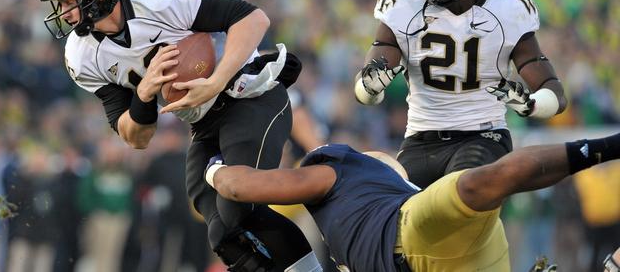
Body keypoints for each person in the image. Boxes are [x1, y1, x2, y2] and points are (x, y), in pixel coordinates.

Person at [38, 0, 318, 272]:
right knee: (222, 235)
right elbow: (136, 137)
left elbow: (253, 18)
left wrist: (216, 80)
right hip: (203, 123)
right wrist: (143, 93)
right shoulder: (83, 55)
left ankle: (328, 189)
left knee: (241, 209)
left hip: (250, 96)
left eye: (69, 0)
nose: (64, 12)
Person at [205, 132, 620, 271]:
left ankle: (609, 146)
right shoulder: (376, 183)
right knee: (481, 184)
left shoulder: (334, 170)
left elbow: (242, 187)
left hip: (418, 235)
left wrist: (211, 166)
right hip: (461, 256)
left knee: (481, 184)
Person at [354, 0, 568, 188]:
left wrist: (532, 104)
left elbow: (555, 92)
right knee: (403, 211)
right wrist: (369, 87)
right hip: (421, 139)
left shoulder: (507, 7)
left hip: (482, 136)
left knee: (460, 189)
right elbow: (367, 88)